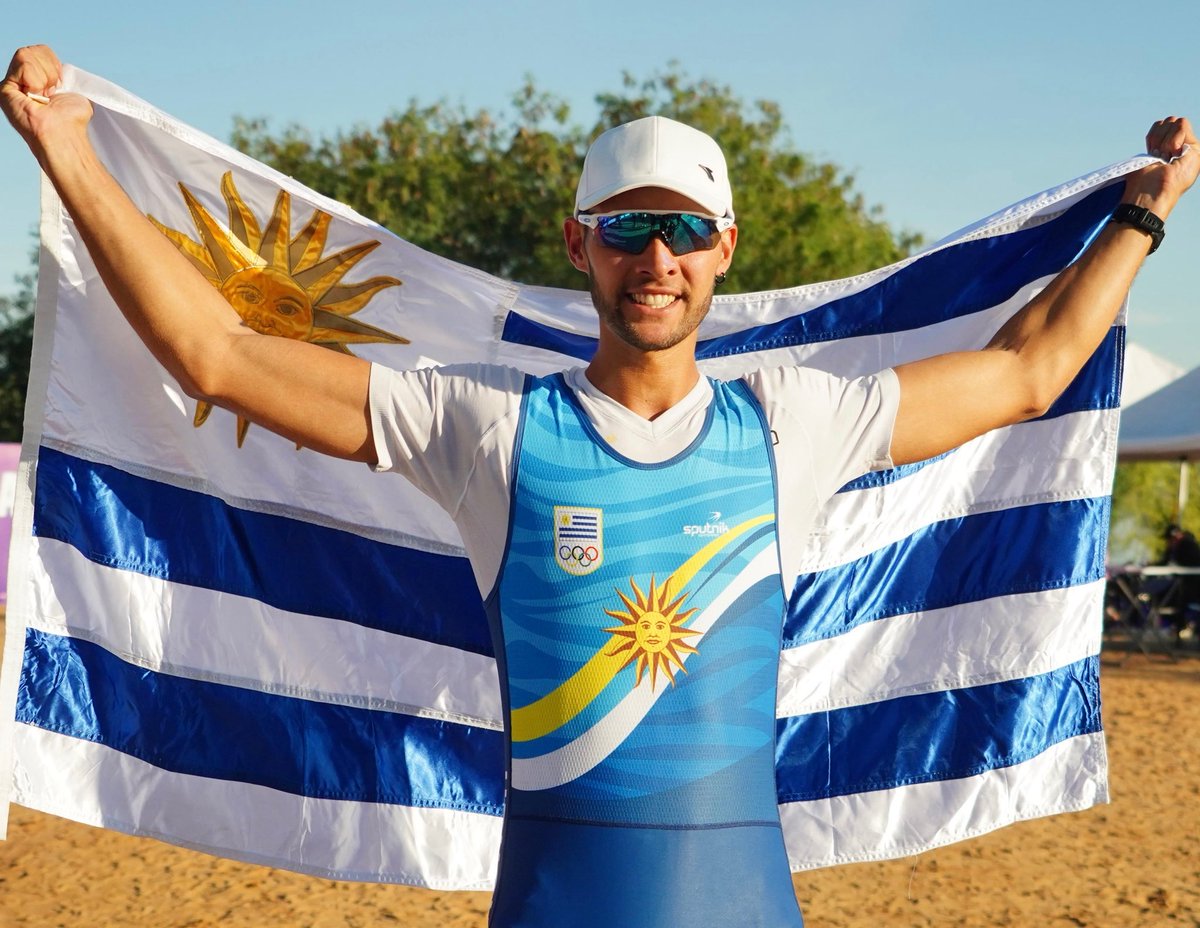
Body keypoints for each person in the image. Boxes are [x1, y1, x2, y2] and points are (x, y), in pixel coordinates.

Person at [3, 44, 1197, 928]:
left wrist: (1146, 211)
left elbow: (1030, 371)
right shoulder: (486, 425)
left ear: (725, 247)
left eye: (684, 230)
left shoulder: (794, 424)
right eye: (626, 230)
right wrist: (68, 151)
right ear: (580, 245)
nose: (656, 259)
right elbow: (219, 357)